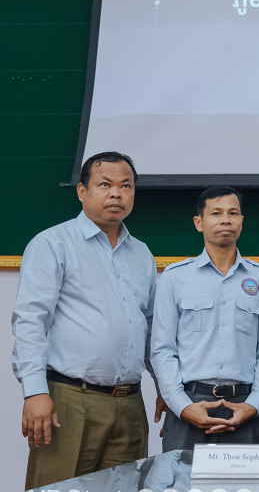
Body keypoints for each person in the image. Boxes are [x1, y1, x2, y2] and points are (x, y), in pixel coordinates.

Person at [12, 152, 158, 490]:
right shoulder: (53, 244)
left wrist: (165, 386)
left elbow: (149, 328)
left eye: (126, 186)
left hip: (130, 404)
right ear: (82, 191)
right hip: (69, 400)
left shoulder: (142, 254)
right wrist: (34, 392)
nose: (116, 194)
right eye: (104, 185)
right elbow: (30, 320)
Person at [151, 186, 259, 451]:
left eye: (233, 213)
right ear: (199, 223)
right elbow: (163, 350)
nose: (225, 220)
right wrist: (182, 406)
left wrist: (254, 404)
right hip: (190, 403)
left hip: (244, 406)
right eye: (216, 213)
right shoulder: (175, 277)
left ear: (241, 222)